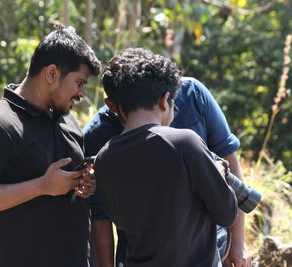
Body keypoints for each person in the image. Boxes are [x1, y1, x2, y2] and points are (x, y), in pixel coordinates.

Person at [0, 24, 101, 267]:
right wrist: (42, 186)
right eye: (79, 82)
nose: (82, 93)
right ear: (52, 74)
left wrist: (84, 184)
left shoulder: (68, 119)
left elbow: (67, 189)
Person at [84, 65, 250, 266]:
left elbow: (108, 216)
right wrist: (219, 175)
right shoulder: (186, 141)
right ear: (165, 100)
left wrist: (238, 244)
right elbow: (225, 212)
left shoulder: (103, 156)